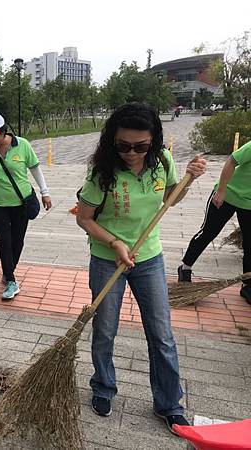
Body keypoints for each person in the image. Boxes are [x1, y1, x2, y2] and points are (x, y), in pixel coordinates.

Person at [76, 103, 206, 434]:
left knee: (161, 334)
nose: (131, 153)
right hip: (108, 258)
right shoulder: (101, 174)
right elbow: (84, 218)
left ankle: (169, 403)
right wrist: (115, 244)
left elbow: (170, 200)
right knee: (105, 330)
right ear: (112, 142)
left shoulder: (162, 162)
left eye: (140, 146)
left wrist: (188, 180)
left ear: (153, 142)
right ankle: (103, 387)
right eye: (123, 146)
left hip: (148, 258)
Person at [0, 112, 52, 300]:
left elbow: (35, 169)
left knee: (17, 241)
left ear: (3, 132)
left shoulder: (23, 145)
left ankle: (8, 270)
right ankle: (10, 279)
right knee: (4, 241)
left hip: (21, 203)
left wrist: (45, 192)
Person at [178, 139, 251, 304]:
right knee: (208, 232)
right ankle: (185, 268)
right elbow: (231, 162)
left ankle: (247, 284)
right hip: (228, 193)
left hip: (249, 204)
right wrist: (221, 190)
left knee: (250, 243)